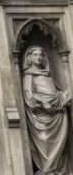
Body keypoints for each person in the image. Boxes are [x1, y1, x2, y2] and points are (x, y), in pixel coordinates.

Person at [22, 46, 71, 175]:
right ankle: (48, 170)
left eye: (41, 55)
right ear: (29, 57)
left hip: (58, 114)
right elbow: (29, 96)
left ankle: (60, 170)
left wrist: (63, 96)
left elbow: (57, 91)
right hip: (42, 116)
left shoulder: (47, 74)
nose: (39, 57)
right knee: (45, 143)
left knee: (60, 146)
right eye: (36, 55)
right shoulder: (29, 75)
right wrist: (43, 102)